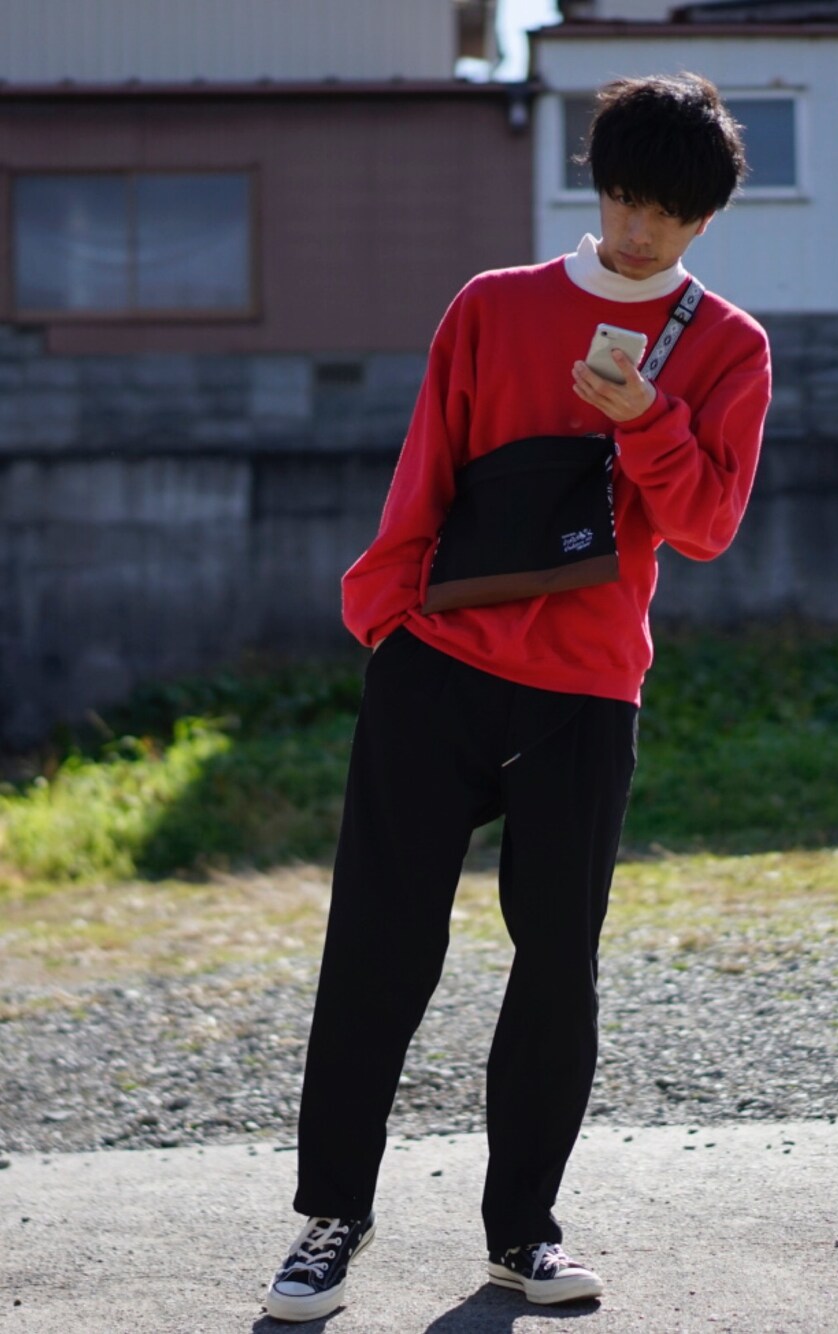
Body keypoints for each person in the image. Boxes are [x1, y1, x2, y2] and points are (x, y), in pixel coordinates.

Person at [264, 72, 771, 1322]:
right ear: (594, 184)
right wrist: (383, 620)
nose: (638, 229)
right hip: (437, 665)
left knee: (555, 963)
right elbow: (426, 465)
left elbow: (707, 525)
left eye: (668, 212)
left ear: (706, 218)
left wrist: (647, 418)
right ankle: (330, 1219)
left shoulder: (727, 345)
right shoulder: (494, 304)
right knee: (378, 944)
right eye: (624, 197)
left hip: (585, 689)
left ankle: (521, 1234)